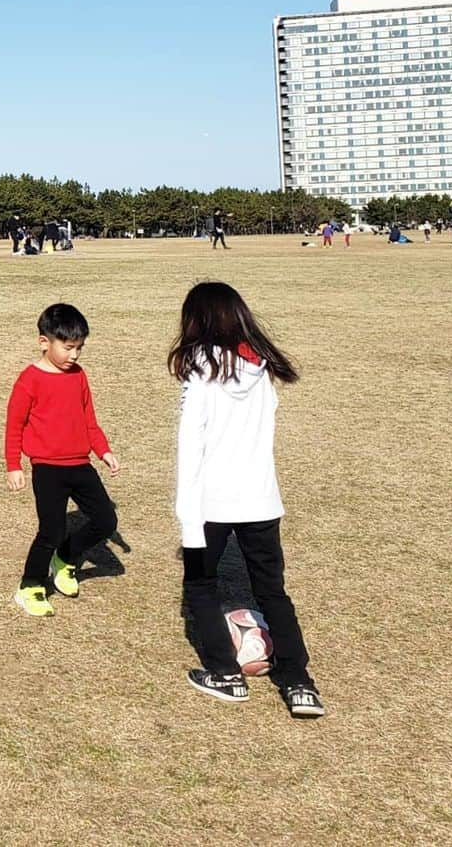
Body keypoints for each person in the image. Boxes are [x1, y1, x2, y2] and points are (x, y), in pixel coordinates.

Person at [170, 282, 324, 717]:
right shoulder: (261, 368)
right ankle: (299, 683)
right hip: (261, 500)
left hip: (211, 502)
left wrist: (187, 513)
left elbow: (190, 441)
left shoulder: (198, 368)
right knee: (272, 592)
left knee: (200, 586)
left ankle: (225, 673)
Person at [4, 303, 120, 617]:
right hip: (48, 468)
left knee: (106, 521)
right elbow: (14, 425)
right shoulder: (30, 379)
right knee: (51, 531)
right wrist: (13, 465)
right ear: (45, 342)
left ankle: (64, 559)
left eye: (79, 348)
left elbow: (89, 420)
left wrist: (103, 450)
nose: (75, 356)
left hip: (80, 464)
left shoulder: (79, 376)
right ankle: (29, 586)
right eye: (68, 348)